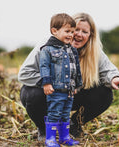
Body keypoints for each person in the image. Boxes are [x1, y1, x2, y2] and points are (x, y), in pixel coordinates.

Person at [18, 12, 119, 142]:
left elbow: (108, 70)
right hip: (49, 94)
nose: (79, 34)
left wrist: (114, 78)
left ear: (90, 35)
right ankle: (43, 128)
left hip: (72, 94)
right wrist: (52, 81)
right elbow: (25, 73)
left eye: (85, 32)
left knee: (104, 93)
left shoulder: (93, 51)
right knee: (31, 94)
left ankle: (74, 125)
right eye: (75, 29)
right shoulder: (47, 46)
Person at [40, 13, 82, 146]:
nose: (71, 35)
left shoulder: (71, 49)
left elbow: (75, 69)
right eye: (67, 31)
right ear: (54, 31)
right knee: (54, 113)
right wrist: (46, 83)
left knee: (65, 114)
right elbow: (44, 67)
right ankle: (50, 139)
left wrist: (76, 85)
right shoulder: (48, 49)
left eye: (72, 32)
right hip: (56, 89)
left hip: (69, 90)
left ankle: (64, 137)